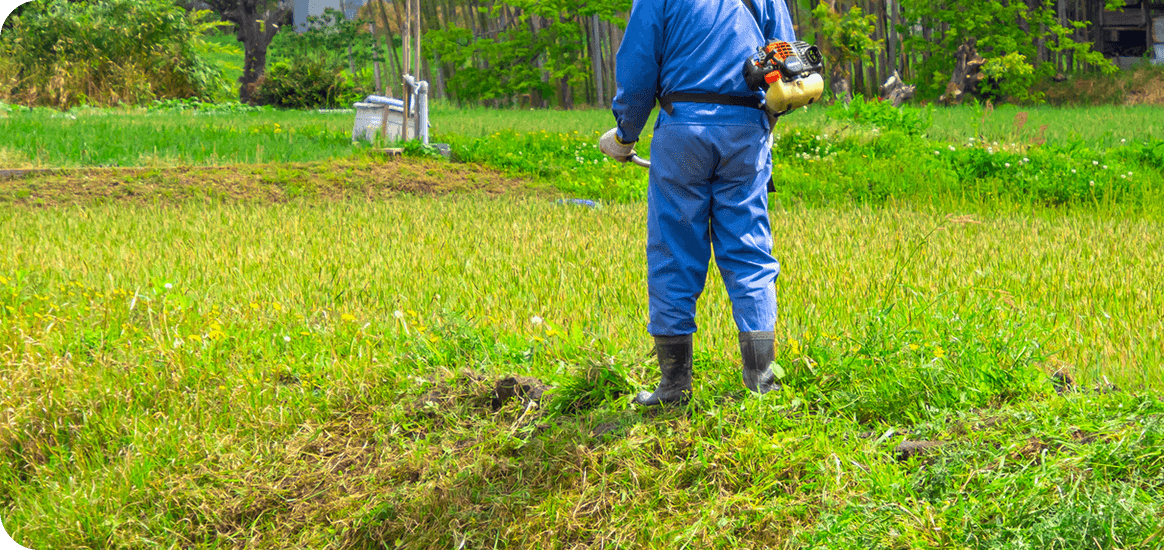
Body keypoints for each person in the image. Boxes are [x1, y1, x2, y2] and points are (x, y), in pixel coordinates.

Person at [599, 0, 796, 406]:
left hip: (682, 127)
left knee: (674, 252)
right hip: (747, 130)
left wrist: (625, 134)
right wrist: (766, 122)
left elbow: (638, 66)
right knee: (749, 250)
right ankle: (763, 386)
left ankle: (673, 389)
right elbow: (789, 58)